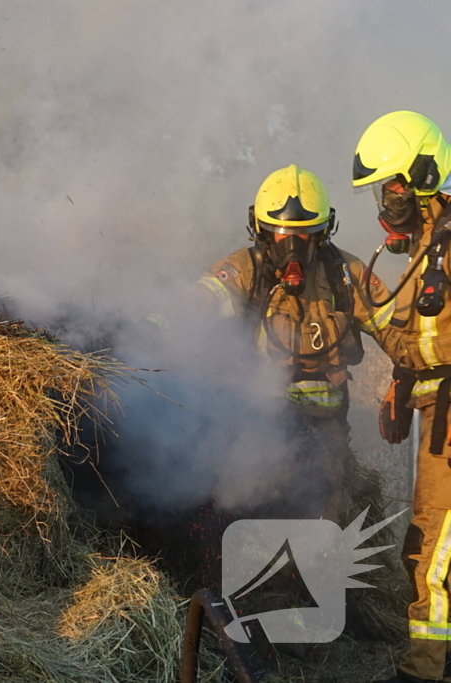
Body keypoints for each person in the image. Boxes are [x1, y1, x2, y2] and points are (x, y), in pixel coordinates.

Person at [196, 164, 399, 519]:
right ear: (260, 230)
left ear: (323, 233)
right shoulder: (246, 270)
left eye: (304, 234)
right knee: (248, 509)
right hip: (255, 423)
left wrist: (406, 376)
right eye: (281, 233)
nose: (292, 246)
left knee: (320, 518)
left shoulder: (346, 275)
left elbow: (398, 328)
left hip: (325, 430)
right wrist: (151, 326)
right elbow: (201, 298)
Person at [353, 111, 451, 683]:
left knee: (433, 547)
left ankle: (423, 672)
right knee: (428, 541)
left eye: (392, 186)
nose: (387, 201)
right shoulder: (423, 252)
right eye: (382, 190)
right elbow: (422, 344)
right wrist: (401, 381)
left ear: (421, 174)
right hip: (435, 410)